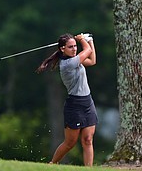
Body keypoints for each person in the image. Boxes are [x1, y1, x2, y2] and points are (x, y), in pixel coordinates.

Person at [36, 33, 98, 166]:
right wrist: (82, 40)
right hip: (74, 106)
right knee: (70, 143)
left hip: (88, 102)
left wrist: (90, 41)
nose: (75, 49)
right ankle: (52, 163)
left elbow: (92, 61)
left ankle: (89, 169)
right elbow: (87, 51)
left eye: (75, 46)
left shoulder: (75, 59)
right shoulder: (67, 64)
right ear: (62, 49)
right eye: (71, 47)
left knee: (87, 140)